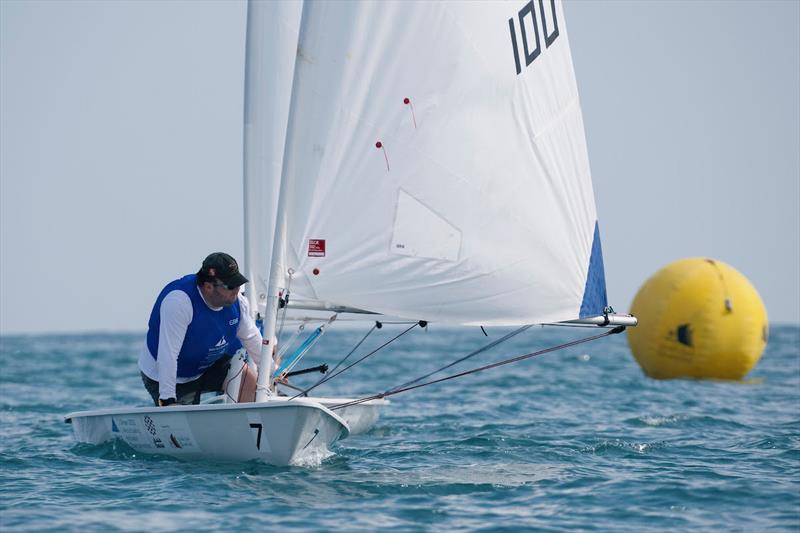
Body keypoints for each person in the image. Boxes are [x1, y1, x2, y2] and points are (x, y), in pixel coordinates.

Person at [138, 252, 263, 406]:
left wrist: (273, 372)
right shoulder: (179, 302)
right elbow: (167, 355)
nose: (237, 290)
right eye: (231, 286)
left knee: (246, 377)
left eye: (238, 283)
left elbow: (251, 338)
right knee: (182, 419)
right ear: (208, 287)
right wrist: (168, 399)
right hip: (170, 375)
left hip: (208, 366)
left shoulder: (239, 302)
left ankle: (245, 426)